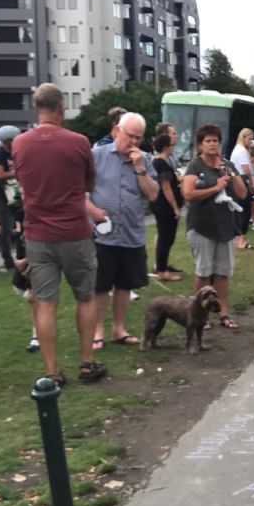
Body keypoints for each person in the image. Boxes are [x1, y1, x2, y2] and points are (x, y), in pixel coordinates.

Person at [13, 83, 105, 385]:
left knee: (45, 303)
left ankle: (52, 371)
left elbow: (23, 184)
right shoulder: (79, 142)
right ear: (62, 109)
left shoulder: (20, 144)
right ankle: (87, 363)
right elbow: (89, 184)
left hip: (38, 233)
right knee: (85, 297)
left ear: (37, 109)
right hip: (75, 231)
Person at [89, 111, 158, 348]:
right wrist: (93, 211)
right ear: (117, 130)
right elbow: (79, 190)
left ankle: (119, 329)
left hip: (131, 232)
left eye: (139, 138)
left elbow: (152, 194)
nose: (135, 142)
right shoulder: (97, 155)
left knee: (125, 284)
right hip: (102, 233)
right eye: (131, 136)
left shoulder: (145, 160)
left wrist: (139, 168)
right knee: (100, 285)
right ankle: (98, 331)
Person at [182, 122, 248, 330]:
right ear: (201, 145)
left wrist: (231, 174)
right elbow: (188, 194)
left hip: (225, 228)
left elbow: (243, 193)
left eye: (215, 141)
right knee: (203, 273)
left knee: (222, 273)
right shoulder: (195, 165)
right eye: (208, 141)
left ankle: (224, 312)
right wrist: (216, 187)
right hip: (202, 227)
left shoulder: (226, 164)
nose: (212, 145)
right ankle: (200, 315)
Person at [150, 123, 184, 281]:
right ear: (165, 147)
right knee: (165, 237)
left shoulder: (159, 163)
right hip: (164, 207)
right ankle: (162, 271)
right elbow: (166, 188)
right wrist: (175, 208)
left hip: (163, 206)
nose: (173, 148)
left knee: (167, 237)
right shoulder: (161, 164)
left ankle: (163, 265)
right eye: (171, 146)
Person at [0, 125, 21, 269]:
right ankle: (7, 260)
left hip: (14, 194)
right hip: (0, 195)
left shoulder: (13, 152)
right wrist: (19, 173)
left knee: (20, 223)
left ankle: (21, 255)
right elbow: (0, 174)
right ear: (7, 140)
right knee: (6, 228)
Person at [229, 128, 254, 250]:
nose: (251, 142)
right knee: (245, 211)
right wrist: (252, 183)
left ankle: (238, 239)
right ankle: (241, 240)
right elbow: (246, 169)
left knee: (240, 211)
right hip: (241, 180)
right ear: (243, 137)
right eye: (249, 139)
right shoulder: (241, 151)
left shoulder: (238, 149)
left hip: (236, 179)